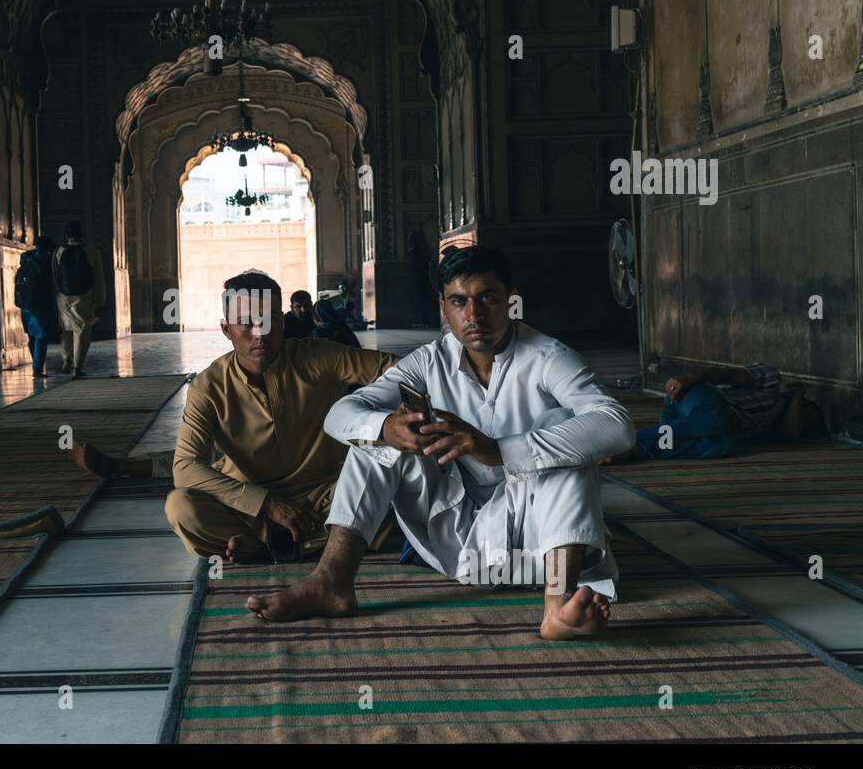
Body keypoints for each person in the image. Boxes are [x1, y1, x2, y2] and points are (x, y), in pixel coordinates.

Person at [245, 244, 635, 641]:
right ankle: (332, 582)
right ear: (443, 309)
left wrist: (499, 449)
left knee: (562, 432)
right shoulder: (427, 363)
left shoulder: (548, 356)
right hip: (459, 544)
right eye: (459, 301)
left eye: (487, 298)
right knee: (380, 435)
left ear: (509, 300)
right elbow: (340, 415)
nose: (474, 315)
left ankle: (558, 605)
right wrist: (385, 428)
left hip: (539, 547)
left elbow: (617, 426)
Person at [164, 270, 400, 563]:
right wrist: (267, 504)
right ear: (226, 329)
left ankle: (270, 547)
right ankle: (316, 540)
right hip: (249, 507)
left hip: (327, 496)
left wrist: (384, 419)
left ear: (283, 320)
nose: (260, 332)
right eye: (247, 322)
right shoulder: (209, 386)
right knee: (181, 507)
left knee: (398, 465)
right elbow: (185, 468)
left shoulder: (318, 356)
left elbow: (398, 370)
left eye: (271, 319)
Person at [618, 364, 826, 461]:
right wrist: (690, 376)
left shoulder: (771, 426)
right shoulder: (772, 381)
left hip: (694, 422)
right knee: (717, 421)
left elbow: (791, 431)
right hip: (693, 397)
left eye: (807, 426)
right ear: (806, 403)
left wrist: (797, 402)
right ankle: (621, 444)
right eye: (807, 416)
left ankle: (636, 452)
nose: (802, 423)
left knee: (722, 446)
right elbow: (729, 374)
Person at [53, 220, 106, 378]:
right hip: (83, 297)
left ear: (67, 235)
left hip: (63, 298)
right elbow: (99, 279)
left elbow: (55, 277)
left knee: (66, 331)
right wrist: (100, 301)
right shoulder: (91, 251)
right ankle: (77, 367)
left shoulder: (59, 251)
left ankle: (66, 360)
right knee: (82, 332)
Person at [14, 235, 59, 377]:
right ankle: (37, 369)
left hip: (25, 303)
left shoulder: (25, 258)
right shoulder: (47, 260)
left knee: (32, 336)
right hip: (42, 303)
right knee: (41, 336)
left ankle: (37, 365)